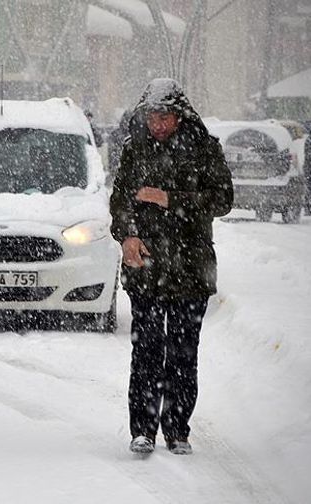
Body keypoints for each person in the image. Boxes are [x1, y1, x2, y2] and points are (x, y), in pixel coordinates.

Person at [109, 78, 233, 455]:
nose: (157, 124)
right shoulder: (135, 149)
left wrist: (170, 199)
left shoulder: (204, 148)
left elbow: (223, 199)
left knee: (183, 353)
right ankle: (142, 429)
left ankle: (178, 429)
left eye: (164, 116)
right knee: (146, 350)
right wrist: (128, 235)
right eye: (151, 116)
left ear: (179, 116)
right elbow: (120, 202)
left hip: (191, 267)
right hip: (146, 266)